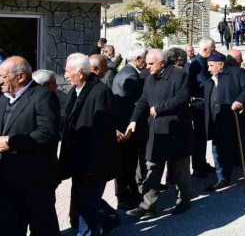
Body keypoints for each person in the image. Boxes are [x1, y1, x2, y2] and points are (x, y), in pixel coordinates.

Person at [124, 50, 192, 219]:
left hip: (176, 130)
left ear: (162, 63)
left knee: (179, 170)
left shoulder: (179, 74)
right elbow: (143, 100)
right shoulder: (149, 78)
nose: (147, 67)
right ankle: (147, 205)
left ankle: (184, 200)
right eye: (146, 63)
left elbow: (182, 97)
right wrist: (133, 119)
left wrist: (159, 108)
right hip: (156, 131)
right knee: (152, 168)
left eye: (150, 64)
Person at [0, 56, 62, 236]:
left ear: (20, 76)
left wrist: (11, 142)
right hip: (7, 179)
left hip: (37, 180)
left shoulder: (43, 96)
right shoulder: (4, 99)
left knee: (43, 227)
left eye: (3, 76)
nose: (0, 80)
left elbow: (48, 133)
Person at [60, 53, 120, 234]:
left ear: (80, 73)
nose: (65, 75)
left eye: (68, 71)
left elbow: (103, 133)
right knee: (82, 198)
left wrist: (95, 164)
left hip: (92, 162)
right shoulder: (75, 90)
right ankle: (107, 221)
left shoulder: (100, 92)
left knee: (88, 200)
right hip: (77, 159)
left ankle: (93, 228)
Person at [203, 53, 245, 191]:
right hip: (218, 122)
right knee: (219, 151)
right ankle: (222, 178)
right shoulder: (210, 81)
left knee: (244, 148)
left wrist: (240, 100)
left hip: (237, 119)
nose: (208, 69)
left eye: (211, 66)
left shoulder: (236, 72)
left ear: (221, 64)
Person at [112, 47, 148, 211]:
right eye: (145, 59)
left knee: (127, 163)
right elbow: (137, 103)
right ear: (138, 59)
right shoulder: (131, 75)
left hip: (124, 126)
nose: (146, 63)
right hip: (127, 128)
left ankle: (128, 195)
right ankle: (126, 198)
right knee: (127, 164)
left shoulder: (125, 71)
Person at [186, 39, 215, 178]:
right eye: (212, 50)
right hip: (199, 106)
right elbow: (203, 83)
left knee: (202, 137)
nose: (214, 52)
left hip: (201, 104)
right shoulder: (198, 64)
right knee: (199, 137)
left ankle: (201, 163)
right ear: (205, 50)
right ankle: (198, 168)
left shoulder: (201, 61)